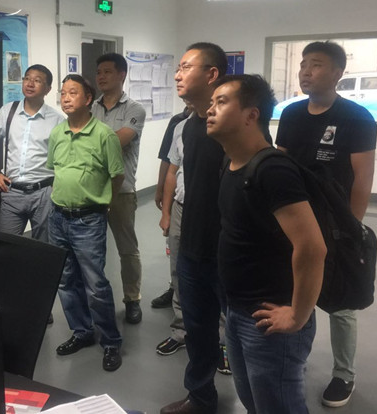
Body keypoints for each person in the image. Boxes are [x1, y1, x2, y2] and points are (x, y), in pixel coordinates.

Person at [206, 73, 327, 413]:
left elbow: (312, 248)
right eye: (212, 102)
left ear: (251, 115)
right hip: (237, 310)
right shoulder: (231, 163)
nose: (210, 110)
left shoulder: (272, 170)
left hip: (270, 319)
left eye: (221, 102)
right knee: (254, 403)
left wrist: (297, 316)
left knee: (278, 407)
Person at [275, 41, 377, 408]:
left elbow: (362, 179)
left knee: (341, 304)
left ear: (337, 73)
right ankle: (294, 358)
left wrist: (351, 228)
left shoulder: (356, 118)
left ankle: (343, 373)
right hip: (293, 221)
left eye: (315, 64)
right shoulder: (291, 114)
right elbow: (279, 165)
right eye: (303, 64)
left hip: (336, 223)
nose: (305, 71)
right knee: (293, 292)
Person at [160, 42, 228, 414]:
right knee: (198, 329)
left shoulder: (232, 126)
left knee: (241, 334)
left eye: (186, 67)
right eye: (178, 67)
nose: (177, 75)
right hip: (192, 245)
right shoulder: (187, 127)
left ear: (211, 74)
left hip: (228, 249)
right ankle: (201, 397)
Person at [47, 74, 125, 372]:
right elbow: (55, 170)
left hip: (88, 219)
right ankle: (82, 332)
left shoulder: (104, 135)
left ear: (88, 98)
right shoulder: (57, 133)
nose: (66, 98)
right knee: (66, 280)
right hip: (58, 216)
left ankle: (111, 342)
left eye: (72, 93)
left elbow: (117, 175)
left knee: (95, 284)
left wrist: (103, 203)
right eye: (63, 93)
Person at [91, 53, 146, 324]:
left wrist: (85, 143)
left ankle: (132, 299)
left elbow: (117, 141)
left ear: (122, 75)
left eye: (107, 72)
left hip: (121, 191)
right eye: (99, 72)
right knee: (92, 250)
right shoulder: (91, 107)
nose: (101, 77)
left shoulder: (134, 109)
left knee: (127, 250)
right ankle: (96, 301)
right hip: (91, 191)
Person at [0, 64, 64, 243]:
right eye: (27, 78)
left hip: (44, 193)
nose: (30, 83)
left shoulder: (57, 120)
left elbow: (64, 157)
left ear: (48, 89)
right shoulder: (8, 111)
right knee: (6, 246)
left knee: (44, 248)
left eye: (37, 80)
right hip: (11, 191)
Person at [151, 102, 192, 309]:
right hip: (179, 201)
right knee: (175, 256)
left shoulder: (218, 123)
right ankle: (175, 295)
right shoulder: (178, 123)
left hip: (206, 208)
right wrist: (161, 193)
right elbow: (168, 162)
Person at [155, 116, 188, 355]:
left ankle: (221, 339)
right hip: (180, 207)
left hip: (213, 212)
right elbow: (172, 170)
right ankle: (181, 330)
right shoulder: (181, 127)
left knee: (215, 274)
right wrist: (166, 212)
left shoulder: (223, 123)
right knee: (177, 270)